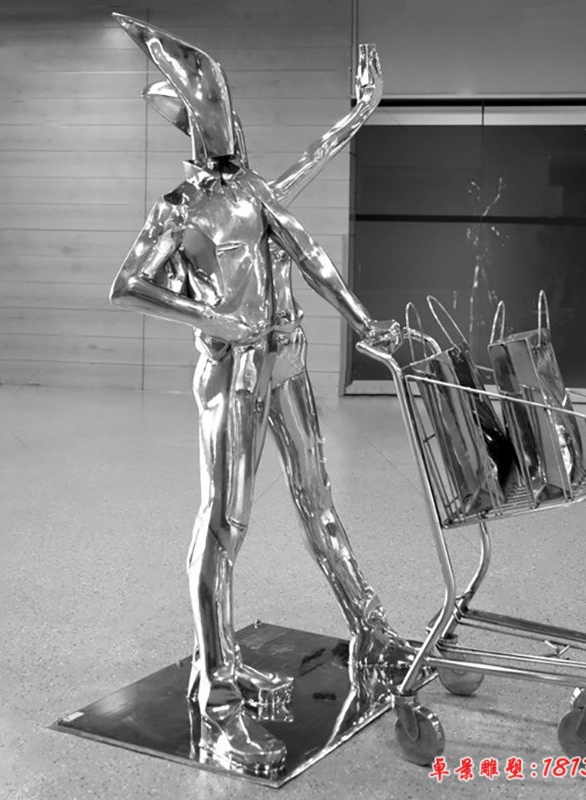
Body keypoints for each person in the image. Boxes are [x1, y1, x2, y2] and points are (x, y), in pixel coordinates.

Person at [110, 15, 410, 774]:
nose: (232, 128)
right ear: (198, 128)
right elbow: (130, 283)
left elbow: (310, 250)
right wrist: (210, 317)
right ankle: (217, 699)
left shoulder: (255, 191)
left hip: (287, 361)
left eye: (231, 116)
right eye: (218, 116)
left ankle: (370, 626)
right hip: (233, 371)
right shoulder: (181, 206)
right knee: (225, 522)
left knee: (318, 497)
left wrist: (360, 112)